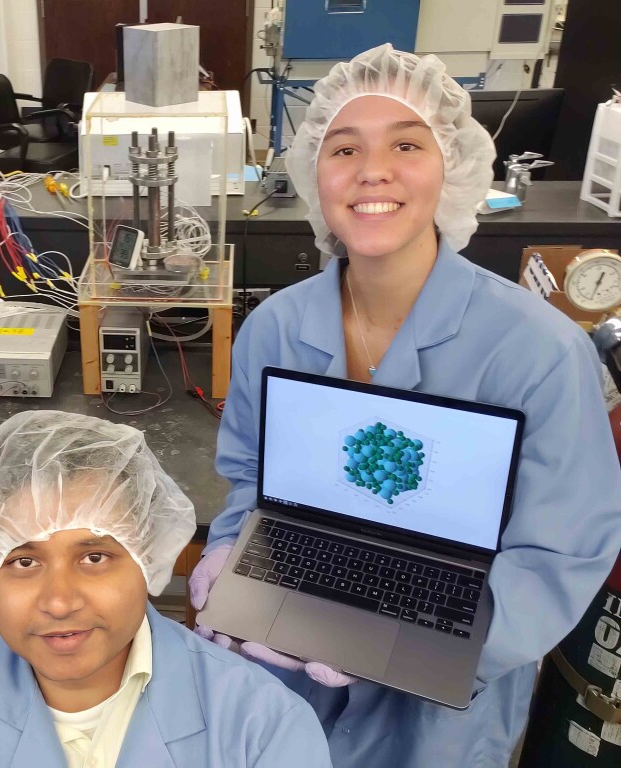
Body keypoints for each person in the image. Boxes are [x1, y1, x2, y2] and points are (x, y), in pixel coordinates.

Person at [190, 43, 621, 767]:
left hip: (440, 715)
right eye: (344, 148)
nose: (372, 170)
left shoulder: (539, 352)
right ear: (313, 171)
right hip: (283, 672)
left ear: (452, 165)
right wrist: (232, 547)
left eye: (407, 144)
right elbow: (251, 477)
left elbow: (560, 553)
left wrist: (411, 646)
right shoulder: (274, 328)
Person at [0, 411, 332, 767]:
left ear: (148, 555)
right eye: (24, 561)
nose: (59, 602)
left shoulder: (266, 731)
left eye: (94, 557)